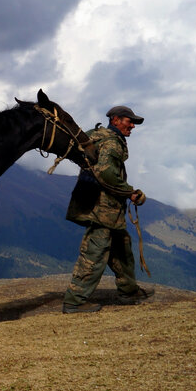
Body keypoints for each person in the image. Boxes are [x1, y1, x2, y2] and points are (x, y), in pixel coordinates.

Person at [61, 105, 155, 313]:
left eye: (133, 122)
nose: (132, 125)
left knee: (122, 248)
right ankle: (74, 302)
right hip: (102, 208)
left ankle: (128, 291)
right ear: (115, 120)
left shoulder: (97, 136)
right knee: (94, 252)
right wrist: (130, 192)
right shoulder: (112, 143)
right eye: (128, 121)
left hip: (101, 205)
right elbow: (107, 173)